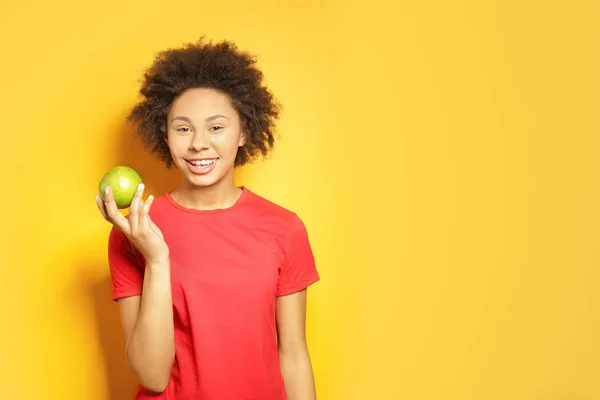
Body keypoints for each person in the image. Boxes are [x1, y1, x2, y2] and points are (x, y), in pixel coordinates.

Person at [94, 37, 320, 400]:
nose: (198, 143)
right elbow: (152, 376)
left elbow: (293, 354)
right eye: (183, 128)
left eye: (216, 127)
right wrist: (157, 258)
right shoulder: (134, 231)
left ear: (244, 132)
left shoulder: (285, 228)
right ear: (164, 135)